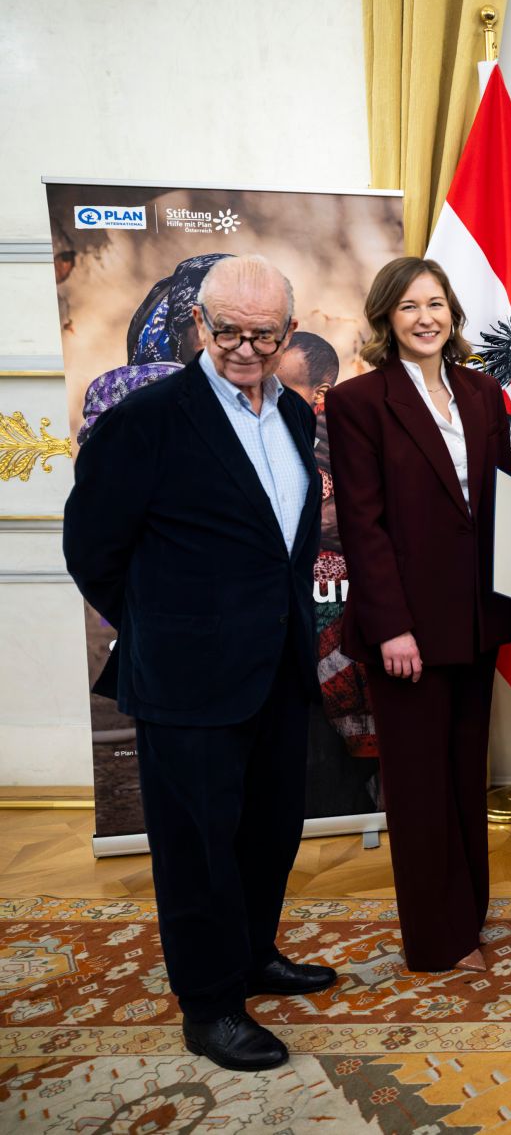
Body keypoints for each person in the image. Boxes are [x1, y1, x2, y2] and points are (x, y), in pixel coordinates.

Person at [63, 254, 334, 1071]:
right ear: (199, 325)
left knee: (270, 829)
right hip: (186, 679)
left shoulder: (294, 415)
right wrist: (162, 626)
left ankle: (252, 954)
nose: (245, 349)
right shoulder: (147, 418)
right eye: (229, 332)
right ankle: (209, 1005)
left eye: (264, 334)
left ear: (288, 332)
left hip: (277, 667)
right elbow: (92, 547)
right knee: (196, 848)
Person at [326, 256, 511, 974]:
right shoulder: (359, 401)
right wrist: (391, 626)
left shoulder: (481, 392)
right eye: (409, 306)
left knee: (466, 774)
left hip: (476, 617)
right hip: (406, 628)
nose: (425, 318)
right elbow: (362, 524)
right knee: (418, 787)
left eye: (435, 303)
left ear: (453, 312)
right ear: (387, 316)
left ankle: (468, 914)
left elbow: (500, 502)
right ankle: (437, 940)